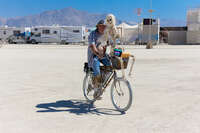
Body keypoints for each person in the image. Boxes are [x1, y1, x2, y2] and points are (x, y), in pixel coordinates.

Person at [87, 19, 111, 99]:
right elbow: (92, 46)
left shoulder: (105, 34)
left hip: (102, 54)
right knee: (96, 69)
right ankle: (96, 90)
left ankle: (101, 83)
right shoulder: (92, 34)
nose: (103, 28)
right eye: (101, 26)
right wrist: (97, 53)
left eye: (104, 26)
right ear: (98, 26)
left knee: (110, 66)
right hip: (94, 55)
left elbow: (108, 44)